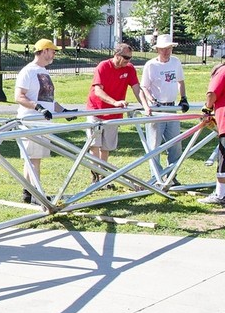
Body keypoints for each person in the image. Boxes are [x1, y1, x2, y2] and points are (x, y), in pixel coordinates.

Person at [14, 38, 76, 203]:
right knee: (33, 159)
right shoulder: (28, 71)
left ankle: (29, 192)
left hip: (43, 122)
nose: (54, 54)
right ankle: (36, 194)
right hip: (31, 120)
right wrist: (38, 108)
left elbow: (49, 101)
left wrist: (64, 111)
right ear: (44, 51)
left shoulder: (44, 71)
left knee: (34, 159)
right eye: (52, 51)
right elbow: (19, 96)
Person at [85, 43, 152, 183]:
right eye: (126, 57)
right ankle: (95, 176)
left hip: (113, 114)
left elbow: (136, 88)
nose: (129, 60)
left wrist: (146, 107)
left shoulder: (129, 68)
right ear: (117, 55)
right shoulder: (103, 66)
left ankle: (103, 176)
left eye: (130, 58)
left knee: (106, 146)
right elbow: (98, 90)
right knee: (94, 145)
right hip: (96, 110)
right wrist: (115, 102)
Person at [140, 34, 189, 185]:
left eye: (169, 48)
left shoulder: (175, 62)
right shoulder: (151, 65)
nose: (166, 52)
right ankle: (156, 176)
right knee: (154, 145)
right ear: (157, 50)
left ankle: (172, 175)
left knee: (175, 144)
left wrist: (183, 98)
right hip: (157, 109)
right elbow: (144, 86)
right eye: (163, 49)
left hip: (172, 107)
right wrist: (150, 99)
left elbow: (180, 81)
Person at [197, 63, 225, 206]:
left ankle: (221, 195)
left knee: (223, 160)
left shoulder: (222, 71)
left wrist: (207, 108)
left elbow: (211, 93)